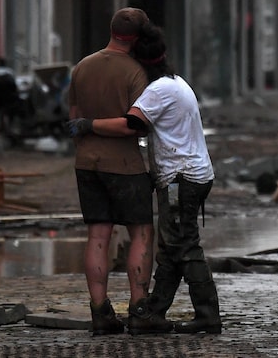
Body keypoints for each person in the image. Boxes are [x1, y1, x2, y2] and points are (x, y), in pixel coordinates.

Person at [68, 22, 222, 335]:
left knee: (185, 245)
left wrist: (89, 124)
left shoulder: (159, 90)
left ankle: (208, 315)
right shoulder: (174, 82)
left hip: (182, 179)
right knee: (172, 246)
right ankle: (150, 312)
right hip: (184, 176)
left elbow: (131, 125)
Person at [67, 7, 168, 336]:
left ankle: (100, 311)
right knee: (140, 232)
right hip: (125, 165)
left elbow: (74, 118)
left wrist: (90, 131)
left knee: (98, 236)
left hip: (87, 162)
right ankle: (139, 309)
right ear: (138, 38)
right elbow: (136, 125)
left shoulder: (82, 66)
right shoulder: (136, 71)